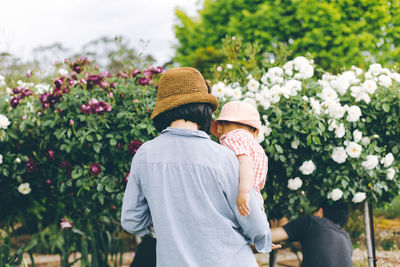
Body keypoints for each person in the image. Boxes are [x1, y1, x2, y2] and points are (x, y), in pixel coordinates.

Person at [121, 67, 272, 267]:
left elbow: (132, 220)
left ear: (162, 109)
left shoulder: (144, 155)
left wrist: (171, 227)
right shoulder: (224, 157)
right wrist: (261, 242)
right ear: (205, 109)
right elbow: (257, 225)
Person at [210, 101, 268, 216]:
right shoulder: (259, 149)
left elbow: (245, 162)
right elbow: (260, 183)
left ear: (220, 126)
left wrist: (243, 192)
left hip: (240, 199)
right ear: (255, 132)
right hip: (256, 202)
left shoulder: (232, 137)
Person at [271, 201, 353, 267]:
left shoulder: (311, 221)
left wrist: (284, 225)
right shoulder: (346, 237)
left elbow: (268, 236)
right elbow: (310, 245)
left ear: (320, 212)